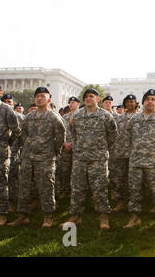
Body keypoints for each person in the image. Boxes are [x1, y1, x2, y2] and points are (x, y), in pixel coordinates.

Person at [60, 88, 118, 230]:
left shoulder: (105, 116)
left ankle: (103, 217)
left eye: (91, 96)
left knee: (100, 188)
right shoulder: (77, 115)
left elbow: (113, 135)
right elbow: (74, 134)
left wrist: (100, 148)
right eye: (86, 96)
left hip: (98, 159)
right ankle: (75, 216)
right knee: (77, 188)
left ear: (98, 99)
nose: (88, 98)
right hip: (80, 157)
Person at [7, 87, 65, 228]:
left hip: (46, 158)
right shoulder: (29, 117)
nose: (39, 98)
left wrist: (52, 151)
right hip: (28, 157)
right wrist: (28, 145)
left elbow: (60, 137)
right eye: (37, 96)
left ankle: (48, 217)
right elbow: (23, 133)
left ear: (48, 99)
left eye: (42, 96)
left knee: (46, 186)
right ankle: (23, 216)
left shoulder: (53, 117)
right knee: (24, 186)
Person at [123, 89, 155, 229]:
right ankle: (134, 218)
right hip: (136, 161)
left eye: (153, 99)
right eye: (147, 99)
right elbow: (128, 137)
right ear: (143, 102)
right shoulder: (134, 119)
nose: (150, 102)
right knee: (134, 190)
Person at [0, 84, 21, 226]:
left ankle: (1, 214)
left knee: (0, 183)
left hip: (0, 153)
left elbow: (17, 130)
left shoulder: (6, 110)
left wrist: (7, 142)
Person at [112, 94, 137, 212]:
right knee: (119, 179)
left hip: (135, 154)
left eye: (132, 102)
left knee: (134, 180)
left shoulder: (139, 117)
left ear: (136, 103)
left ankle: (134, 203)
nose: (130, 104)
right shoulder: (118, 118)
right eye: (127, 102)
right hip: (120, 153)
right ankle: (120, 202)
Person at [59, 96, 80, 200]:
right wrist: (64, 143)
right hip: (66, 148)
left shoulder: (82, 116)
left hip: (78, 148)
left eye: (73, 102)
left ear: (78, 104)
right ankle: (65, 191)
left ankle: (75, 192)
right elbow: (60, 132)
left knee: (76, 171)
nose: (71, 104)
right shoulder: (64, 117)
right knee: (65, 170)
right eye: (70, 102)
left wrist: (74, 143)